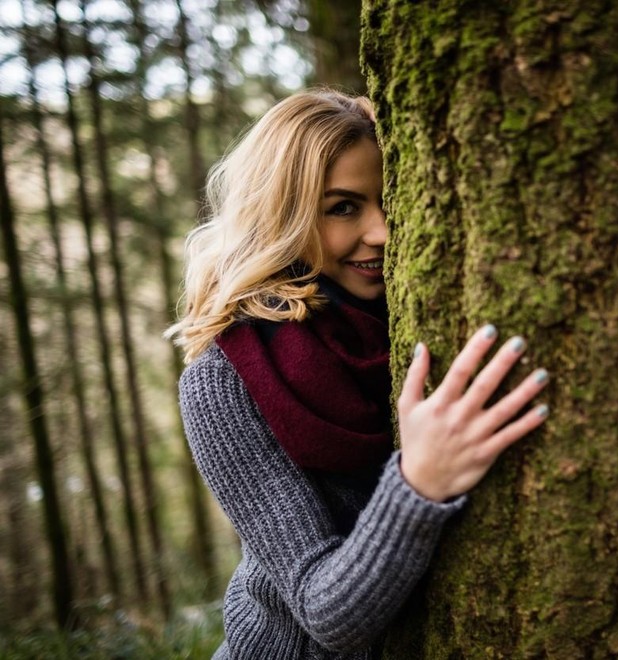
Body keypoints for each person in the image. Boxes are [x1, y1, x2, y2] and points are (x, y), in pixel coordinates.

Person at [166, 89, 549, 658]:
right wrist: (418, 482)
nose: (383, 233)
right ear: (282, 214)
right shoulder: (224, 379)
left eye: (388, 200)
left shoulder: (403, 319)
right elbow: (325, 613)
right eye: (343, 207)